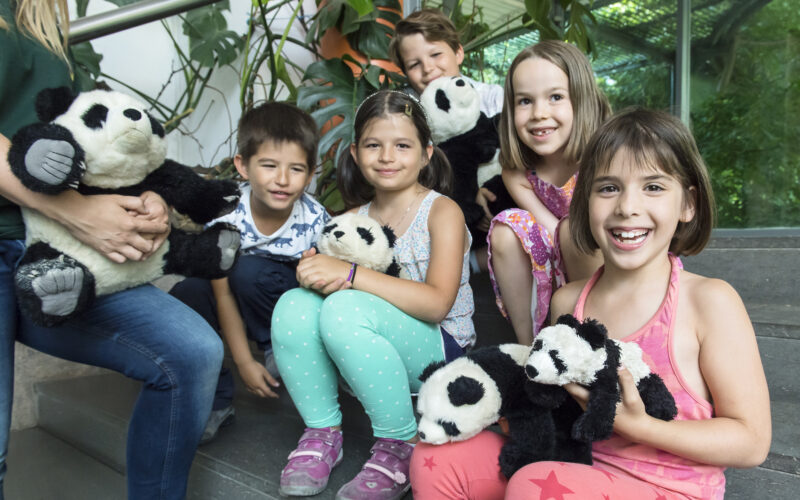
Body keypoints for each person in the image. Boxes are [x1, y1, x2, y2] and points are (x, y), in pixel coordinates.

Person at [409, 108, 772, 500]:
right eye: (608, 188)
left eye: (653, 187)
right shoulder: (570, 300)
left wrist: (640, 427)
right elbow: (554, 405)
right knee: (440, 454)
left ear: (688, 204)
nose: (627, 207)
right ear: (584, 202)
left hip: (668, 489)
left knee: (534, 487)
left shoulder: (708, 302)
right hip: (573, 469)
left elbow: (751, 442)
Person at [1, 2, 223, 498]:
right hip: (26, 233)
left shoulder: (41, 17)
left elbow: (84, 142)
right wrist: (76, 211)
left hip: (59, 249)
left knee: (191, 353)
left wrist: (146, 195)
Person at [271, 90, 474, 500]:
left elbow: (437, 304)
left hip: (443, 352)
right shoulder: (349, 221)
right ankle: (322, 432)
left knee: (346, 304)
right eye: (373, 145)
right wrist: (315, 272)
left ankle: (401, 444)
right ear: (355, 152)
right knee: (293, 304)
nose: (387, 156)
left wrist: (348, 273)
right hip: (370, 341)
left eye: (402, 145)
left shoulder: (441, 211)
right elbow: (326, 293)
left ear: (426, 153)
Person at [170, 101, 329, 444]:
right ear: (242, 166)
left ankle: (278, 349)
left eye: (296, 169)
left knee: (252, 270)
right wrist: (243, 362)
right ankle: (214, 400)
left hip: (289, 305)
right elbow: (221, 290)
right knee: (187, 294)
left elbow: (327, 289)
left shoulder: (316, 220)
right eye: (269, 165)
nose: (283, 180)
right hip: (237, 292)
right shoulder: (227, 213)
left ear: (311, 172)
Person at [487, 40, 611, 346]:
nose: (539, 113)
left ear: (581, 101)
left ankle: (597, 346)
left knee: (574, 231)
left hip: (608, 270)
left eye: (555, 97)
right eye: (525, 101)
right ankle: (529, 350)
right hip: (554, 268)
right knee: (506, 228)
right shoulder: (518, 173)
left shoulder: (605, 160)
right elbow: (549, 229)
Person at [389, 7, 510, 272]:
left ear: (458, 52)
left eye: (435, 54)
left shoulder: (493, 97)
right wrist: (465, 198)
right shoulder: (408, 113)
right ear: (404, 72)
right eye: (414, 64)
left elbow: (518, 154)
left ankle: (479, 259)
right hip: (447, 204)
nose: (428, 68)